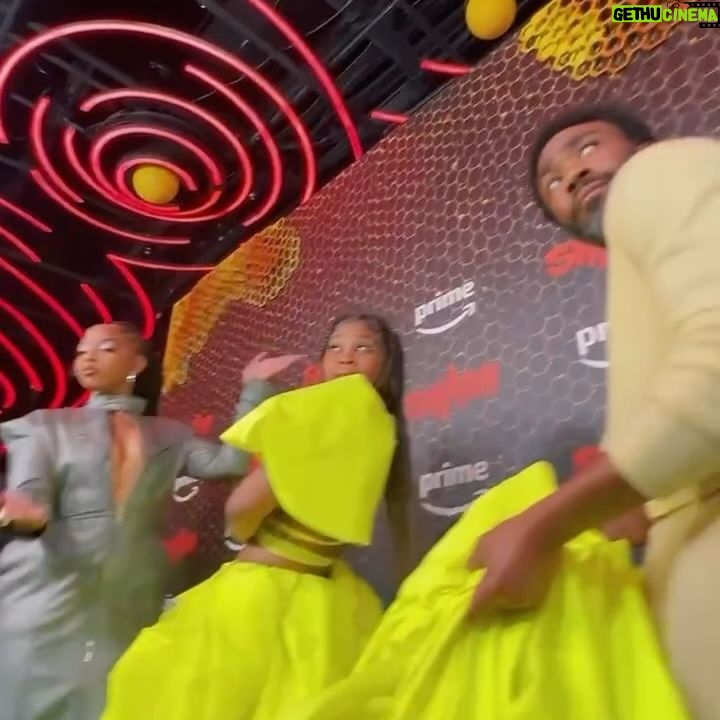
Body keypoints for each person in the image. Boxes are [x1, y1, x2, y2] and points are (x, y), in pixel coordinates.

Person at [468, 105, 720, 719]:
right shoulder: (641, 278)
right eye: (553, 181)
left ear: (641, 145)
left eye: (586, 148)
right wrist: (627, 507)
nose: (573, 176)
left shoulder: (654, 172)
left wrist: (543, 525)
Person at [99, 313, 411, 720]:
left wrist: (245, 526)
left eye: (362, 347)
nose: (345, 356)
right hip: (324, 603)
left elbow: (242, 508)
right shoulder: (383, 426)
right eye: (335, 346)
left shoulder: (320, 408)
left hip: (259, 595)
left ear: (385, 363)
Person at [0, 321, 301, 720]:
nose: (87, 359)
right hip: (51, 579)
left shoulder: (169, 435)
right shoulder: (45, 426)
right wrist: (23, 513)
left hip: (133, 587)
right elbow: (29, 491)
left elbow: (228, 462)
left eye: (106, 349)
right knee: (31, 694)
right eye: (81, 352)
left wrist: (254, 390)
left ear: (137, 363)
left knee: (116, 695)